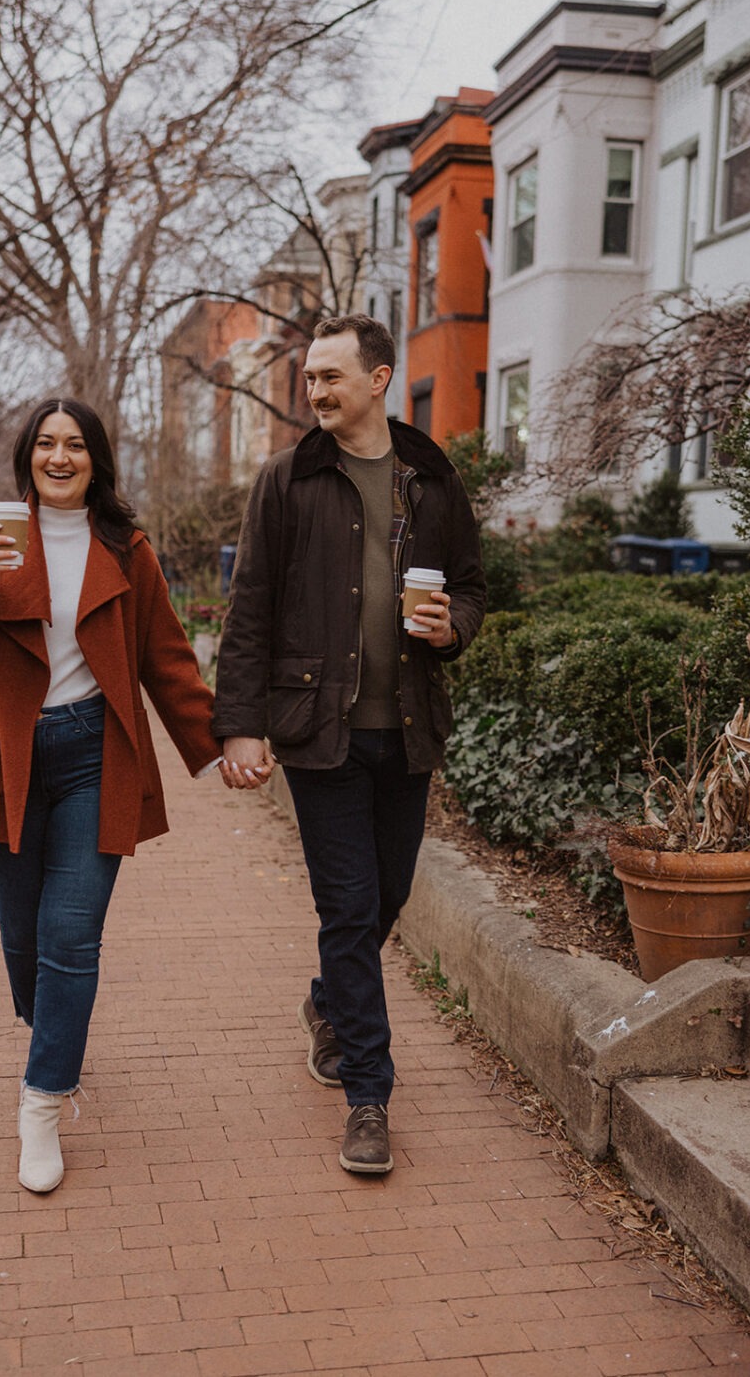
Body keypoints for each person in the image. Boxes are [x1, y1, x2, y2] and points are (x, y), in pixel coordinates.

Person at [0, 398, 221, 1193]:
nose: (60, 457)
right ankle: (50, 1025)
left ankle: (42, 1103)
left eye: (75, 445)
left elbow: (168, 658)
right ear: (27, 457)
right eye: (46, 444)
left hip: (96, 754)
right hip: (7, 757)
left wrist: (219, 749)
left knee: (70, 939)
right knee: (24, 942)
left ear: (96, 461)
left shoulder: (125, 546)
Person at [213, 314, 485, 1175]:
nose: (316, 391)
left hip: (406, 731)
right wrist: (240, 725)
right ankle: (368, 1096)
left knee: (388, 898)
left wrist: (451, 629)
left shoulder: (431, 479)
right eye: (309, 379)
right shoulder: (286, 480)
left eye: (331, 376)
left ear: (378, 379)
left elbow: (473, 588)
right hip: (316, 734)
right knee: (349, 908)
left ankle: (330, 1002)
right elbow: (249, 609)